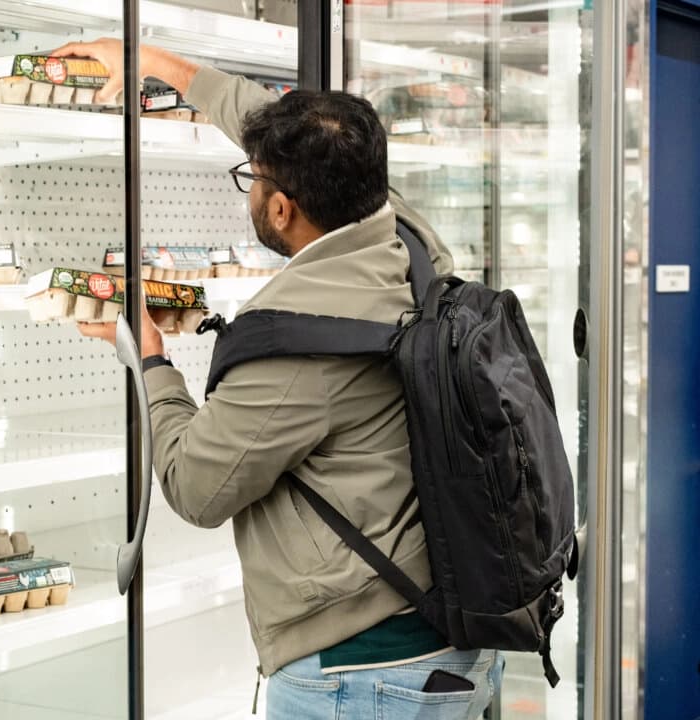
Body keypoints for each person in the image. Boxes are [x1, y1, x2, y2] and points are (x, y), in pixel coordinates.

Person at [59, 39, 504, 719]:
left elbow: (195, 488)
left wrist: (149, 357)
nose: (253, 185)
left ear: (279, 210)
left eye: (253, 177)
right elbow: (279, 122)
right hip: (452, 640)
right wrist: (151, 60)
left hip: (362, 675)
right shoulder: (406, 233)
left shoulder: (296, 337)